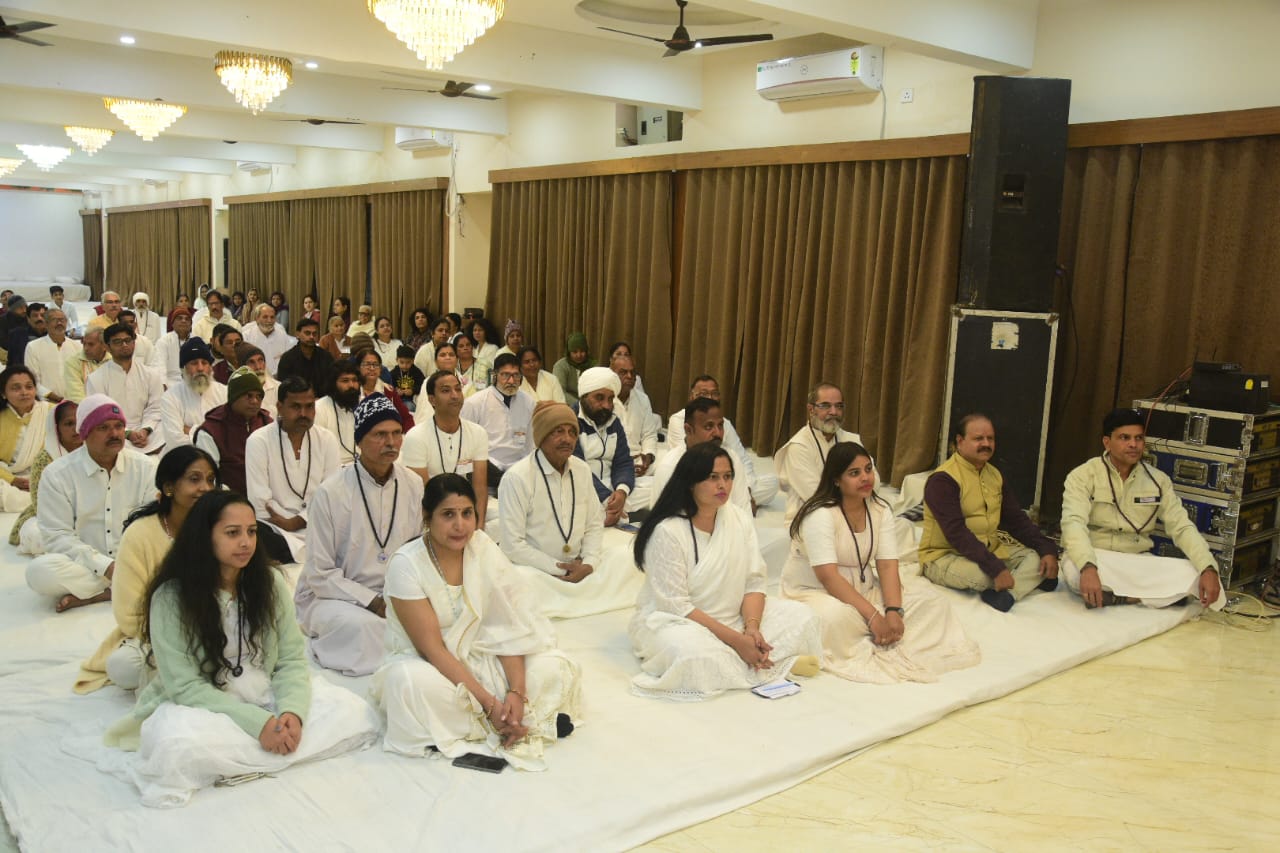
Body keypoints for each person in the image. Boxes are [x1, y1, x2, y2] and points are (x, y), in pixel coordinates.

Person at [101, 491, 379, 808]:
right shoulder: (171, 597)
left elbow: (290, 660)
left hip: (264, 691)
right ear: (204, 537)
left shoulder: (270, 582)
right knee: (176, 745)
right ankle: (266, 746)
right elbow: (183, 685)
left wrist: (292, 714)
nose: (246, 542)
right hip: (206, 702)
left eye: (251, 531)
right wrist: (258, 724)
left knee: (351, 710)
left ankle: (264, 746)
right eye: (232, 533)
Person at [373, 474, 581, 768]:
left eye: (467, 513)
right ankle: (516, 720)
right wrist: (489, 704)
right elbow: (432, 650)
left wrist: (517, 693)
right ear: (427, 517)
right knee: (406, 682)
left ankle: (512, 716)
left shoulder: (482, 547)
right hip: (434, 667)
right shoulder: (406, 564)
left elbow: (509, 628)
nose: (460, 525)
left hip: (486, 655)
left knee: (554, 665)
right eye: (448, 515)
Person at [629, 442, 822, 700]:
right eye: (713, 478)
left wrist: (751, 628)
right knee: (691, 654)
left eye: (728, 476)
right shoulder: (668, 531)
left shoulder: (738, 519)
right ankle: (771, 661)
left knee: (803, 617)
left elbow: (754, 582)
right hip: (681, 623)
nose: (723, 485)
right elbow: (676, 606)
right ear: (691, 482)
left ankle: (751, 657)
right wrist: (736, 640)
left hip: (736, 616)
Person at [784, 442, 980, 683]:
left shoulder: (879, 509)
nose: (865, 477)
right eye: (854, 473)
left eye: (868, 469)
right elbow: (829, 577)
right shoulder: (820, 515)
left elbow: (887, 566)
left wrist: (894, 610)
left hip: (865, 590)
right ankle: (874, 633)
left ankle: (881, 634)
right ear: (836, 480)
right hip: (816, 592)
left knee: (933, 602)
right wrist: (874, 617)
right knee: (836, 618)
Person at [295, 393, 425, 676]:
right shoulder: (330, 492)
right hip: (335, 596)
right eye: (380, 434)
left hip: (393, 593)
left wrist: (401, 596)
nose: (391, 442)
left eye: (396, 433)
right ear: (359, 440)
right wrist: (373, 601)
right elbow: (319, 573)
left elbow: (416, 552)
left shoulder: (413, 484)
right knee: (363, 629)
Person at [75, 446, 220, 693]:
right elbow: (129, 614)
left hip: (217, 627)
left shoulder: (220, 526)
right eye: (194, 479)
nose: (205, 488)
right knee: (124, 667)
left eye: (210, 480)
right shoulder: (140, 534)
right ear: (169, 487)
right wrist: (180, 637)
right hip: (157, 633)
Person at [1060, 408, 1225, 610]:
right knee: (1073, 570)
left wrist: (1208, 568)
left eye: (1138, 438)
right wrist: (1088, 566)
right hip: (1097, 558)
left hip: (1136, 562)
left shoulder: (1158, 480)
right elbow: (1073, 524)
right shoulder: (1082, 476)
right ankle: (1147, 597)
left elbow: (1182, 527)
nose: (1133, 444)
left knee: (1191, 572)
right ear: (1107, 442)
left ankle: (1121, 598)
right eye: (1124, 438)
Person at [499, 401, 640, 618]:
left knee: (627, 556)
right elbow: (512, 546)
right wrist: (559, 568)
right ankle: (582, 597)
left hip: (580, 566)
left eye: (572, 432)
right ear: (541, 436)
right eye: (558, 432)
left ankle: (577, 595)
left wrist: (589, 563)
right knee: (521, 582)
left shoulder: (581, 469)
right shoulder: (517, 478)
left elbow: (594, 523)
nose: (567, 439)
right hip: (540, 572)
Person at [25, 395, 158, 611]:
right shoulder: (58, 474)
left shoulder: (145, 467)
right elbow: (57, 535)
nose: (114, 434)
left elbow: (152, 524)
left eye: (119, 426)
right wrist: (105, 566)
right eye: (103, 427)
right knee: (39, 572)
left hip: (136, 560)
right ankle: (127, 587)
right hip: (86, 564)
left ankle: (101, 593)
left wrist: (130, 563)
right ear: (84, 433)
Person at [919, 413, 1060, 612]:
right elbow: (956, 533)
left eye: (990, 438)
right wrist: (995, 568)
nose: (986, 444)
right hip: (945, 556)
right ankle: (1025, 583)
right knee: (985, 576)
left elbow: (1016, 521)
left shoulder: (994, 475)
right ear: (960, 441)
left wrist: (1046, 549)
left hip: (989, 551)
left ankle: (1008, 595)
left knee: (1037, 558)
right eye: (978, 438)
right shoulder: (943, 480)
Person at [245, 376, 341, 564]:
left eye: (309, 406)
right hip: (276, 529)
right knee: (258, 534)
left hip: (320, 522)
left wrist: (298, 521)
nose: (304, 413)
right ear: (279, 407)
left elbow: (332, 495)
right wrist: (286, 524)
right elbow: (259, 502)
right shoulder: (259, 441)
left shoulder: (326, 439)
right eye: (296, 407)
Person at [667, 375, 779, 513]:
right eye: (704, 393)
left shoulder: (725, 423)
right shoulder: (678, 420)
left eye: (714, 393)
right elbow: (684, 461)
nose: (710, 398)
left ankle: (729, 499)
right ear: (691, 396)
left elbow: (743, 460)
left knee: (772, 482)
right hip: (691, 481)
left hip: (723, 478)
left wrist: (747, 490)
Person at [402, 370, 489, 525]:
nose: (455, 395)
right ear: (432, 399)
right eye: (446, 391)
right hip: (429, 511)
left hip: (464, 505)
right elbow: (423, 492)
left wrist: (478, 527)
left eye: (458, 389)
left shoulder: (478, 433)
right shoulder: (416, 436)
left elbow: (480, 488)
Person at [775, 382, 869, 521]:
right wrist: (854, 490)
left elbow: (874, 482)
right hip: (812, 518)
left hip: (854, 512)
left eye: (839, 406)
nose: (833, 412)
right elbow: (815, 495)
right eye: (825, 406)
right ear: (811, 409)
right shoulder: (799, 447)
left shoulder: (852, 439)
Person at [653, 397, 754, 516]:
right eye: (709, 427)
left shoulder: (732, 458)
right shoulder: (670, 466)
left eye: (720, 425)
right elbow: (659, 520)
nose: (717, 433)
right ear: (688, 430)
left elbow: (744, 512)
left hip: (725, 526)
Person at [8, 399, 81, 553]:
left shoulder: (93, 451)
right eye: (69, 424)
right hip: (46, 516)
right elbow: (39, 502)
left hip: (86, 514)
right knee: (39, 538)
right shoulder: (45, 458)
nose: (76, 428)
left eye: (80, 422)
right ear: (56, 428)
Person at [85, 323, 166, 454]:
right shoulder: (96, 378)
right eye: (117, 342)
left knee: (168, 425)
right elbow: (100, 414)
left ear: (134, 343)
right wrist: (128, 433)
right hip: (115, 433)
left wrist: (145, 430)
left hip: (148, 431)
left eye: (128, 340)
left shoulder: (151, 374)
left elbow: (156, 407)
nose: (124, 345)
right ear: (107, 347)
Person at [193, 367, 273, 496]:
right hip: (227, 500)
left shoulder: (267, 423)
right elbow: (209, 478)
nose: (255, 401)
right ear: (234, 398)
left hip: (269, 498)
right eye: (249, 396)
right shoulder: (211, 430)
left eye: (259, 396)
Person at [573, 366, 636, 527]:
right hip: (583, 487)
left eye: (610, 399)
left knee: (656, 488)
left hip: (612, 485)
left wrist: (621, 491)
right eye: (599, 398)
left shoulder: (613, 421)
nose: (607, 406)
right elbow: (577, 468)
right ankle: (615, 515)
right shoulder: (570, 421)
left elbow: (623, 462)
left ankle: (613, 514)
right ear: (584, 396)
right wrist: (607, 499)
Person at [460, 353, 533, 486]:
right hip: (488, 469)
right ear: (494, 376)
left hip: (520, 470)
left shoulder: (528, 402)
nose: (511, 381)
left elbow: (530, 444)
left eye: (516, 375)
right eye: (505, 375)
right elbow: (465, 445)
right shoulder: (475, 403)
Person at [0, 366, 53, 511]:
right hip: (8, 477)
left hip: (46, 475)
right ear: (3, 393)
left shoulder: (52, 412)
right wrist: (12, 480)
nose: (24, 392)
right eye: (16, 388)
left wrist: (39, 478)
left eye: (29, 387)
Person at [159, 338, 226, 449]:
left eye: (204, 363)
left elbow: (230, 434)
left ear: (210, 367)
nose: (200, 368)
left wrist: (190, 430)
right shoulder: (170, 397)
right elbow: (175, 441)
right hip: (185, 457)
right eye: (194, 363)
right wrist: (212, 437)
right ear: (184, 368)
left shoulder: (224, 392)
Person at [610, 354, 657, 506]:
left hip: (639, 461)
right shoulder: (605, 401)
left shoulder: (643, 399)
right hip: (613, 463)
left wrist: (647, 457)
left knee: (670, 473)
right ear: (612, 374)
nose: (630, 376)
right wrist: (626, 464)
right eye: (623, 372)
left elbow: (649, 434)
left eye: (633, 372)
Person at [25, 307, 81, 403]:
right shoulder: (33, 347)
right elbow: (32, 379)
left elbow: (82, 375)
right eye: (55, 320)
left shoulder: (77, 346)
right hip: (47, 402)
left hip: (75, 401)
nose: (59, 323)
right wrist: (55, 398)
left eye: (62, 320)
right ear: (46, 324)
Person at [313, 359, 361, 464]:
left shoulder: (363, 406)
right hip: (331, 467)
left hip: (359, 464)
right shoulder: (319, 409)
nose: (351, 385)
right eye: (345, 381)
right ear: (333, 384)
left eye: (354, 380)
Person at [355, 348, 413, 430]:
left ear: (380, 368)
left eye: (375, 365)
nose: (372, 368)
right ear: (358, 367)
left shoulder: (388, 390)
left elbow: (406, 418)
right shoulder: (352, 390)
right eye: (367, 364)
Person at [276, 316, 334, 394]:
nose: (311, 337)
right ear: (298, 334)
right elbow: (283, 387)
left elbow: (332, 383)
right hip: (296, 399)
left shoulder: (326, 357)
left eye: (314, 333)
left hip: (322, 399)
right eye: (307, 333)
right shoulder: (287, 358)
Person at [240, 302, 295, 375]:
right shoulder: (246, 335)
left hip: (279, 377)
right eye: (265, 317)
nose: (269, 320)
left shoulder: (282, 334)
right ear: (257, 318)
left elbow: (289, 358)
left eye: (272, 317)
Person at [63, 326, 110, 404]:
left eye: (91, 344)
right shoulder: (73, 362)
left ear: (104, 346)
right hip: (84, 408)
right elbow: (76, 396)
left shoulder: (113, 360)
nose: (86, 348)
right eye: (84, 343)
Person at [237, 342, 281, 418]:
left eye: (260, 360)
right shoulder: (237, 392)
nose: (258, 367)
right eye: (251, 362)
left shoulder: (278, 387)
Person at [154, 306, 195, 387]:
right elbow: (160, 366)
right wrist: (163, 384)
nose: (183, 321)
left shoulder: (196, 341)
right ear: (172, 323)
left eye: (187, 319)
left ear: (190, 325)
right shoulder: (164, 341)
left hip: (192, 382)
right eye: (179, 318)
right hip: (170, 382)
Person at [552, 332, 595, 405]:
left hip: (590, 404)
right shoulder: (561, 366)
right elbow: (559, 391)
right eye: (575, 352)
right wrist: (579, 405)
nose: (579, 355)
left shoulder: (593, 365)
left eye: (582, 351)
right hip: (566, 405)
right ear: (569, 352)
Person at [6, 300, 46, 367]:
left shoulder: (52, 336)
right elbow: (11, 361)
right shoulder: (17, 335)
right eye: (35, 316)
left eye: (43, 315)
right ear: (28, 318)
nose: (39, 318)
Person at [453, 330, 489, 396]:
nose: (465, 348)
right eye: (461, 346)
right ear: (455, 350)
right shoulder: (452, 367)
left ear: (472, 347)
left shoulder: (485, 365)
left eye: (468, 345)